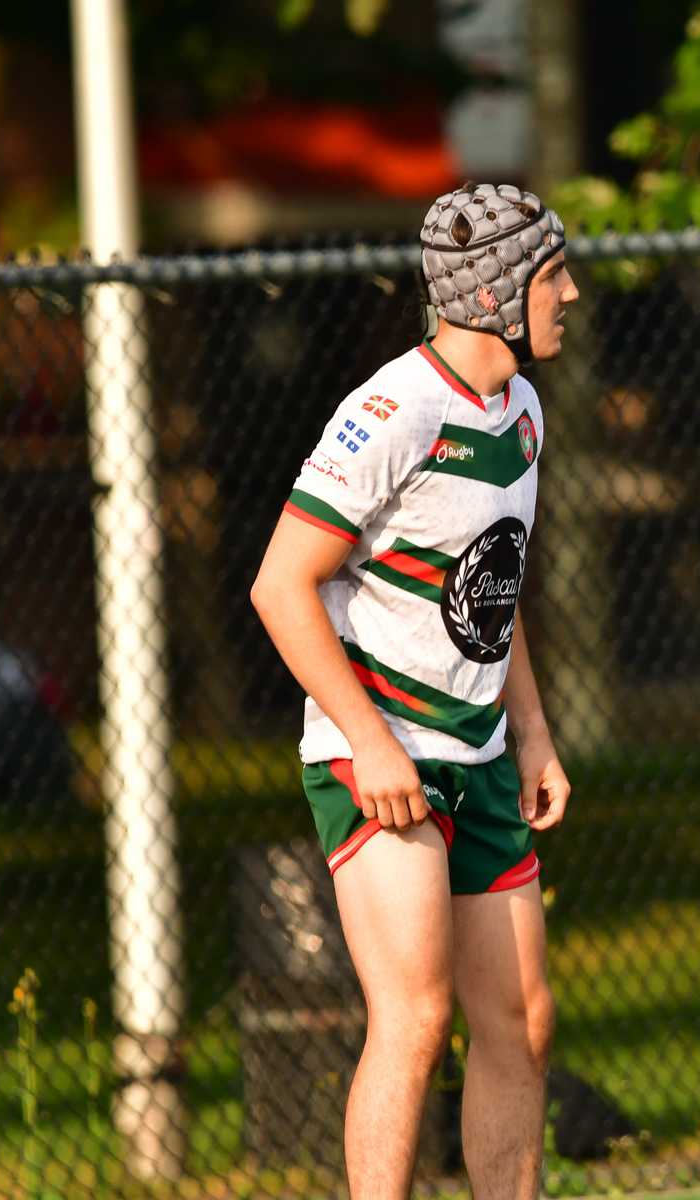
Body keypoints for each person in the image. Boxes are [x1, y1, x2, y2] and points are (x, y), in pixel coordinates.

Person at [251, 183, 577, 1200]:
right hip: (379, 752)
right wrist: (371, 742)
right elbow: (280, 584)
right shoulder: (394, 409)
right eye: (553, 275)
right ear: (496, 293)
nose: (570, 294)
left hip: (478, 754)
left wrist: (532, 732)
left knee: (522, 1017)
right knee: (416, 1017)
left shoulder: (519, 410)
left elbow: (495, 580)